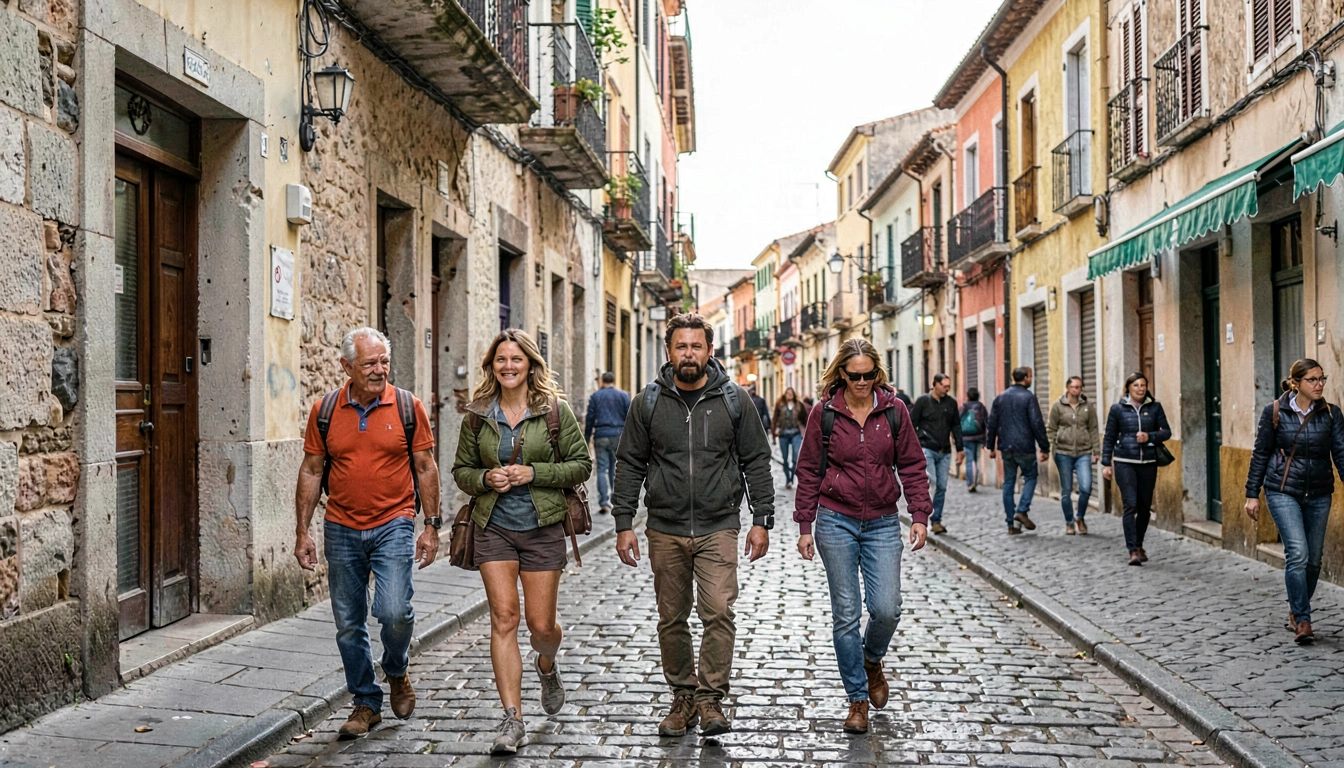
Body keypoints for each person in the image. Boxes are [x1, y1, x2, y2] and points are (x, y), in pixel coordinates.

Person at [612, 313, 774, 738]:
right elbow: (629, 463)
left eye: (696, 346)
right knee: (671, 617)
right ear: (669, 352)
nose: (689, 354)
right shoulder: (646, 402)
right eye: (681, 346)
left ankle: (710, 699)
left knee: (718, 611)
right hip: (664, 527)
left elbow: (757, 460)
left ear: (709, 350)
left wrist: (762, 519)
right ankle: (682, 696)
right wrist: (624, 522)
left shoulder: (734, 400)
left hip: (719, 524)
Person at [294, 328, 441, 738]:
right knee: (348, 622)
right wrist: (302, 531)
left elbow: (426, 467)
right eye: (369, 364)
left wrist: (430, 526)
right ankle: (365, 701)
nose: (379, 371)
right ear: (346, 367)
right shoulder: (324, 410)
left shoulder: (408, 407)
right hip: (340, 526)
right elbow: (311, 470)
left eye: (383, 362)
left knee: (394, 610)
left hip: (394, 521)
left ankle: (396, 668)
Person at [451, 329, 592, 754]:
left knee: (540, 626)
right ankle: (512, 719)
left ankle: (546, 665)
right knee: (504, 618)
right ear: (491, 366)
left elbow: (581, 464)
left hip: (543, 528)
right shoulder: (476, 415)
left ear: (530, 364)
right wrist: (484, 478)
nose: (508, 366)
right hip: (493, 526)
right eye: (500, 360)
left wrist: (534, 474)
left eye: (516, 359)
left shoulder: (554, 411)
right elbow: (461, 471)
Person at [793, 338, 931, 734]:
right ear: (842, 374)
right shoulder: (826, 413)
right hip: (836, 520)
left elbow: (912, 464)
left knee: (887, 608)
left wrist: (919, 513)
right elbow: (808, 470)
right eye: (854, 376)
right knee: (846, 615)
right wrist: (806, 524)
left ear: (877, 373)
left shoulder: (894, 410)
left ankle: (872, 660)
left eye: (869, 375)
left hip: (885, 521)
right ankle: (857, 699)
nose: (862, 382)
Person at [1245, 359, 1344, 644]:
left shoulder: (1331, 414)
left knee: (1313, 561)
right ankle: (1302, 619)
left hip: (1319, 492)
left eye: (1322, 378)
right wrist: (1252, 493)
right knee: (1298, 553)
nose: (1319, 384)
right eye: (1312, 379)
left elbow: (1341, 453)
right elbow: (1261, 453)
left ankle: (1295, 607)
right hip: (1282, 490)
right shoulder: (1275, 412)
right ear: (1296, 383)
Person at [1101, 372, 1171, 567]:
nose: (1140, 388)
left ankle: (1139, 543)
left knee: (1144, 507)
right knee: (1130, 504)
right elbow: (1109, 436)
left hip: (1148, 463)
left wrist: (1149, 437)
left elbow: (1166, 431)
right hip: (1124, 461)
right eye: (1136, 385)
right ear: (1128, 388)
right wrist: (1106, 463)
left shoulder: (1155, 408)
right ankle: (1132, 549)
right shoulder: (1117, 409)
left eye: (1143, 385)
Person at [986, 367, 1050, 535]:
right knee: (1030, 476)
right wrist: (1044, 447)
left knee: (1008, 483)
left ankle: (1010, 524)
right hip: (1025, 446)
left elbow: (992, 423)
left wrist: (990, 446)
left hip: (1006, 447)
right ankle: (1021, 510)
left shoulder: (1000, 397)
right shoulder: (1029, 397)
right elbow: (1037, 423)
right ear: (1026, 378)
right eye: (1030, 376)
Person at [910, 374, 964, 534]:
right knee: (930, 482)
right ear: (935, 385)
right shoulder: (923, 401)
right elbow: (912, 424)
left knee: (941, 486)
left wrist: (959, 449)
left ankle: (936, 520)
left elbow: (956, 427)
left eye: (948, 386)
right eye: (944, 386)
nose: (947, 389)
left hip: (945, 451)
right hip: (927, 448)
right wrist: (912, 448)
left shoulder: (951, 403)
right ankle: (922, 514)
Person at [1047, 376, 1100, 535]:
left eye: (1079, 387)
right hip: (1063, 452)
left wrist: (1096, 451)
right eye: (1074, 387)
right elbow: (1051, 428)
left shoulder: (1088, 407)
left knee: (1086, 487)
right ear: (1068, 388)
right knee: (1066, 490)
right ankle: (1069, 522)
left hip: (1083, 452)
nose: (1077, 390)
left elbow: (1093, 430)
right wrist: (1053, 446)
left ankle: (1080, 516)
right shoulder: (1058, 406)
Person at [584, 371, 631, 514]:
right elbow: (629, 416)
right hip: (618, 435)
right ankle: (615, 500)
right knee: (615, 468)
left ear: (602, 381)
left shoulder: (596, 396)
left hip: (601, 435)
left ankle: (604, 501)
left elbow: (590, 418)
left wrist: (586, 438)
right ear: (614, 381)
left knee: (601, 469)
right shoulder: (623, 395)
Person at [773, 387, 805, 489]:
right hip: (783, 434)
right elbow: (775, 418)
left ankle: (792, 477)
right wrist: (774, 434)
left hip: (796, 433)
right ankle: (788, 479)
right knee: (785, 458)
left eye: (791, 393)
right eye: (787, 393)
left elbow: (805, 418)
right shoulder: (780, 405)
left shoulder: (799, 405)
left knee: (795, 457)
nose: (789, 395)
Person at [959, 388, 989, 493]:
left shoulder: (964, 407)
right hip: (978, 437)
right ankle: (974, 481)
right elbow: (986, 423)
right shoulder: (981, 407)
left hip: (965, 437)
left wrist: (956, 438)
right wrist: (985, 440)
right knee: (975, 460)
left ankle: (970, 482)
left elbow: (957, 421)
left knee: (969, 460)